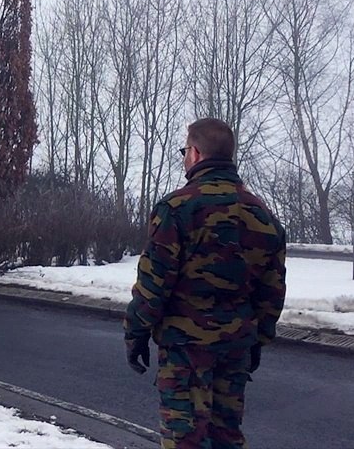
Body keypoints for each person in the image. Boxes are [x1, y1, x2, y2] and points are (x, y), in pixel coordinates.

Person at [123, 118, 286, 449]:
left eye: (185, 151)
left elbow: (154, 284)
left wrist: (136, 332)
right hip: (236, 346)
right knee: (226, 436)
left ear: (195, 154)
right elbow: (272, 290)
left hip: (185, 348)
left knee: (185, 439)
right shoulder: (262, 214)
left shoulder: (177, 208)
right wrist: (258, 339)